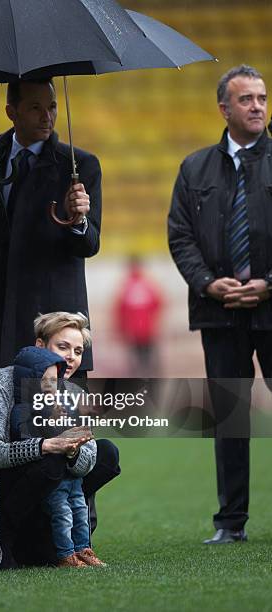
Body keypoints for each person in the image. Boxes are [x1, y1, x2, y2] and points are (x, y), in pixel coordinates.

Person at [168, 65, 272, 544]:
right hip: (219, 312)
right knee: (229, 417)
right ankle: (231, 524)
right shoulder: (194, 168)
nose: (257, 106)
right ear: (224, 109)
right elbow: (181, 235)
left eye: (262, 98)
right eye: (246, 99)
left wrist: (269, 282)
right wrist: (209, 284)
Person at [0, 312, 120, 572]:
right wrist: (46, 446)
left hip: (46, 496)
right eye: (63, 346)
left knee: (106, 453)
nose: (71, 356)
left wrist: (71, 451)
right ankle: (5, 541)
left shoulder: (74, 393)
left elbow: (84, 465)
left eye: (78, 350)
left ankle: (59, 539)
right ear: (40, 345)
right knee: (51, 461)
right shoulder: (2, 381)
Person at [0, 78, 102, 377]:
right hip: (1, 329)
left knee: (60, 424)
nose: (47, 116)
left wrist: (79, 219)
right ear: (12, 111)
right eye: (35, 108)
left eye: (52, 107)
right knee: (3, 422)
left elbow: (90, 245)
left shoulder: (80, 164)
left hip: (54, 330)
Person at [11, 345, 105, 567]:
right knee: (62, 514)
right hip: (53, 477)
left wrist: (75, 436)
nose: (51, 387)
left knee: (81, 511)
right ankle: (66, 554)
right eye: (45, 381)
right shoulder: (24, 408)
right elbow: (25, 435)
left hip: (72, 476)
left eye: (54, 381)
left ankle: (84, 549)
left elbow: (74, 429)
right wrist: (49, 420)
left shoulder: (63, 401)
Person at [115, 258, 164, 377]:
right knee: (146, 357)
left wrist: (121, 328)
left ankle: (142, 379)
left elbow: (119, 310)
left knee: (140, 358)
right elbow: (158, 303)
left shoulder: (128, 286)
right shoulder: (146, 284)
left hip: (138, 330)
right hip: (145, 329)